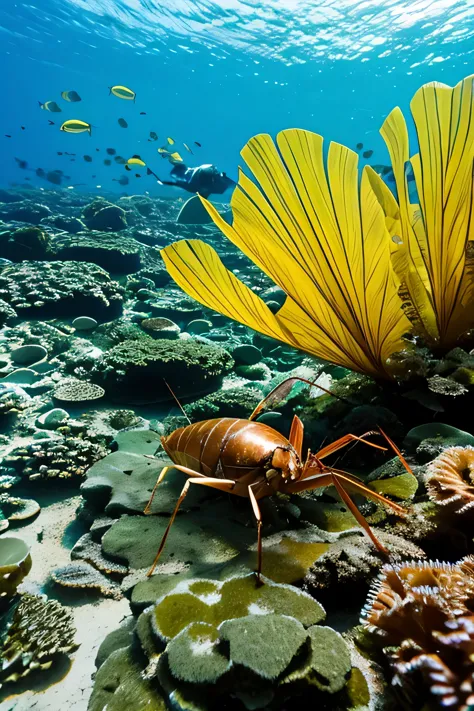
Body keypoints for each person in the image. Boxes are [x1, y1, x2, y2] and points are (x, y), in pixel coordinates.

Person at [159, 163, 235, 198]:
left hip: (203, 173)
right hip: (211, 171)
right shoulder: (192, 172)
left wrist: (166, 183)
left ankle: (203, 201)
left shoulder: (188, 177)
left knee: (194, 189)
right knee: (225, 183)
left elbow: (180, 184)